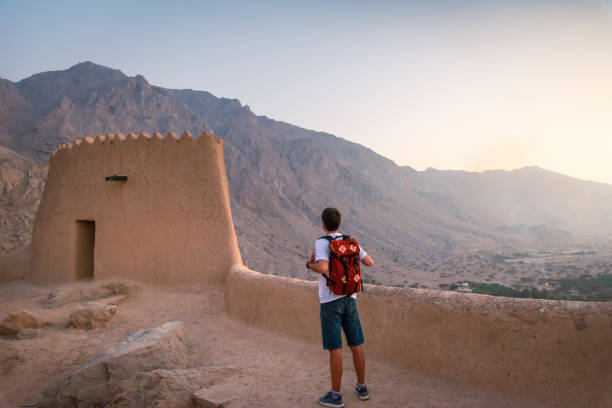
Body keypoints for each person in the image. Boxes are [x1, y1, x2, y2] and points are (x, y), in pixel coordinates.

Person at [306, 207, 374, 407]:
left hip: (330, 301)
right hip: (350, 298)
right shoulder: (350, 241)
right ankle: (362, 388)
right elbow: (369, 262)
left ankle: (335, 396)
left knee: (335, 348)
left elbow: (323, 268)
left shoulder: (321, 242)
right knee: (356, 344)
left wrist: (309, 264)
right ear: (339, 223)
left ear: (323, 224)